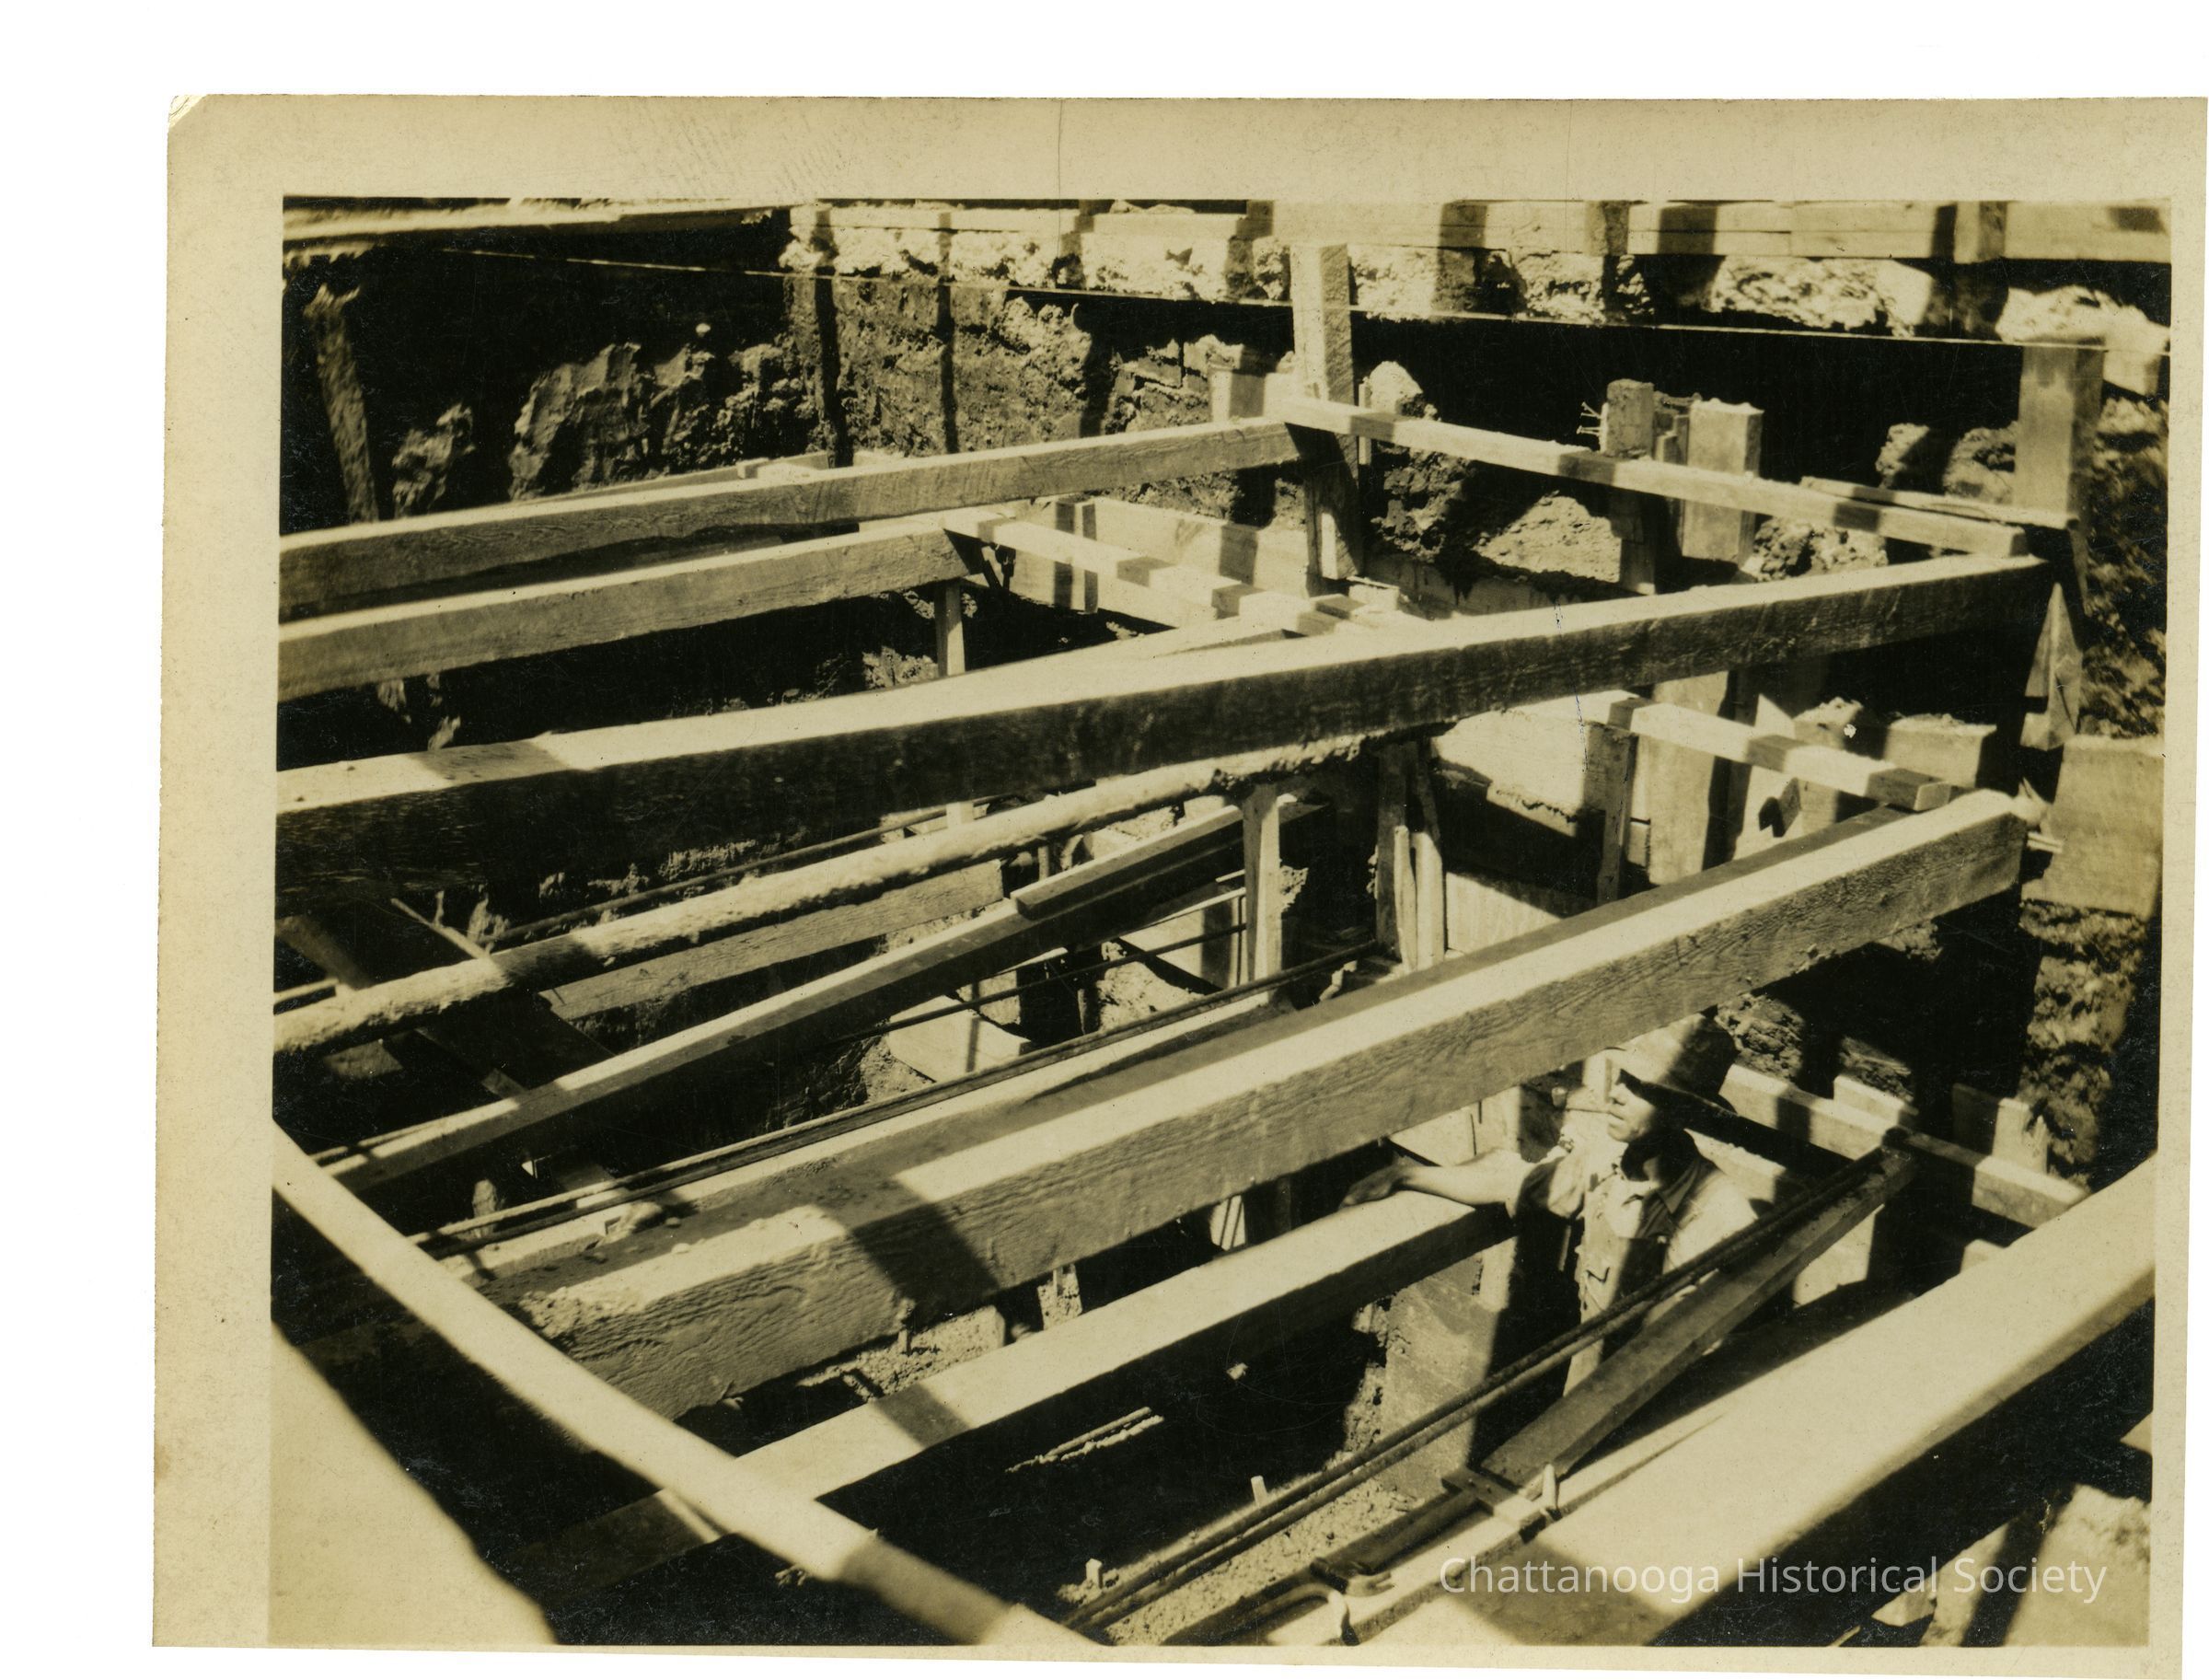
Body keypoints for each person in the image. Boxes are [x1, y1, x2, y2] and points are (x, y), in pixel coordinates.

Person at [1342, 1014, 1759, 1388]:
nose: (1616, 1094)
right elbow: (1511, 1181)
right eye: (1624, 1078)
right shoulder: (1606, 1165)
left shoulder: (1722, 1218)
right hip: (1585, 1391)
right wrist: (1406, 1176)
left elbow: (1738, 1366)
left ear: (1682, 1112)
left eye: (1640, 1089)